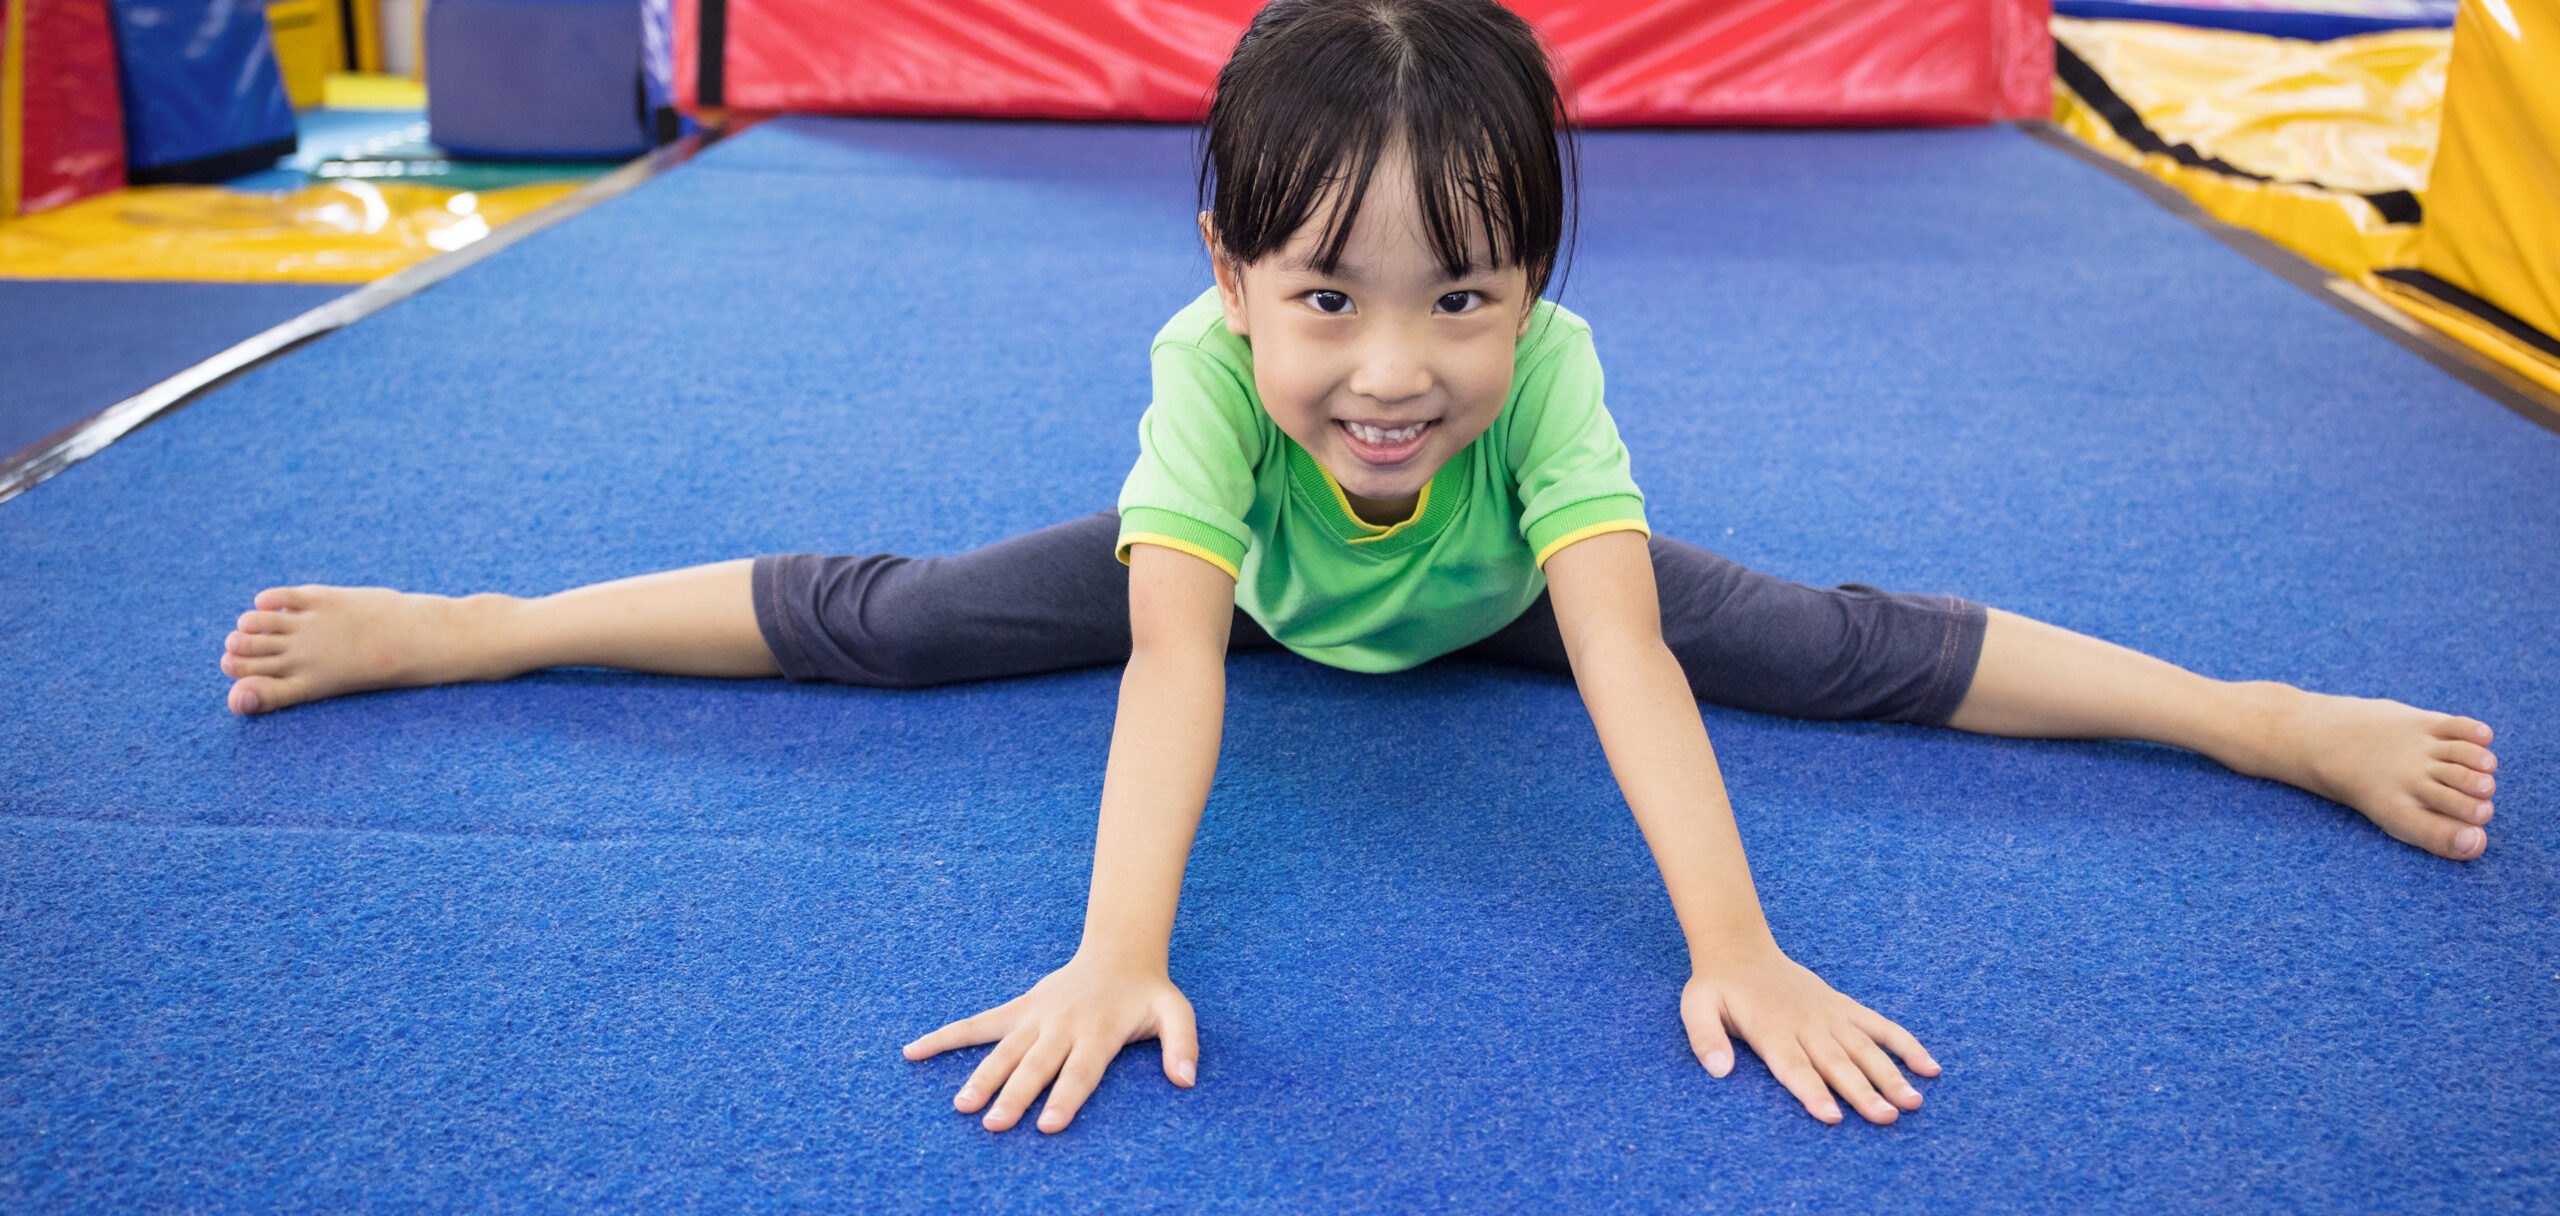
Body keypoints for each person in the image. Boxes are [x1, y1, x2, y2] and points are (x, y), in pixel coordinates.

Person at [214, 0, 2499, 1135]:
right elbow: (1171, 676)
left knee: (1828, 639)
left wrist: (1740, 942)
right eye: (1326, 298)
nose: (1393, 369)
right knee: (890, 616)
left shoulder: (1547, 392)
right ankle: (471, 623)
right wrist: (1116, 951)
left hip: (1495, 588)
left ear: (1533, 284)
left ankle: (2253, 710)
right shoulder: (1206, 387)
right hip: (1244, 581)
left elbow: (1622, 658)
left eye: (1461, 297)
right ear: (1228, 272)